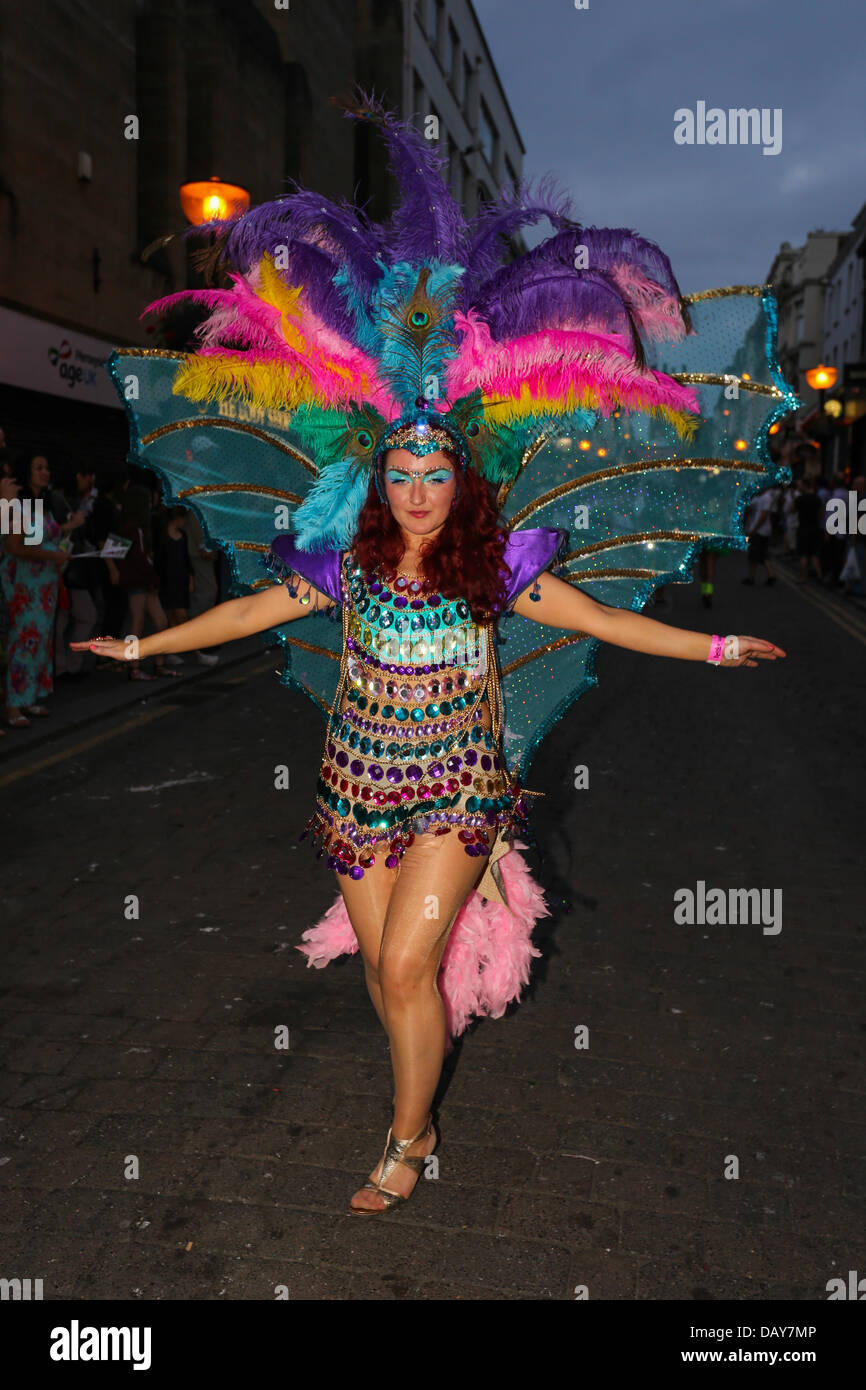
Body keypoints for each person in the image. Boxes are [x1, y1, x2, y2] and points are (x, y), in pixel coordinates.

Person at [77, 94, 793, 1218]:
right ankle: (416, 1097)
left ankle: (408, 1136)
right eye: (400, 474)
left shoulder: (496, 567)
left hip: (459, 789)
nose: (415, 489)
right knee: (377, 973)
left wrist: (710, 642)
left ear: (459, 482)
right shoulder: (341, 567)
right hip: (352, 790)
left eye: (434, 474)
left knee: (408, 970)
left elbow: (604, 621)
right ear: (380, 480)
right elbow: (243, 615)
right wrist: (139, 638)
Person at [0, 452, 68, 726]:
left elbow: (44, 540)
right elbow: (13, 547)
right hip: (24, 587)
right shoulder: (17, 505)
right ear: (25, 473)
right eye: (38, 467)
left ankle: (30, 698)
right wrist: (53, 557)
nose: (45, 472)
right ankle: (14, 705)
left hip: (45, 587)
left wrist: (58, 554)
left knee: (40, 642)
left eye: (47, 467)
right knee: (22, 642)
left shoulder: (43, 505)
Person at [109, 484, 174, 680]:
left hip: (141, 582)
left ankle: (146, 666)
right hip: (141, 581)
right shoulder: (134, 529)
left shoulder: (130, 527)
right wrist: (154, 578)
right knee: (143, 623)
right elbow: (140, 559)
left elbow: (112, 553)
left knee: (152, 622)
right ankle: (136, 666)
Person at [742, 487, 776, 586]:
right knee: (763, 554)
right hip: (761, 530)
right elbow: (748, 507)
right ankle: (771, 576)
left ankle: (751, 578)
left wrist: (754, 529)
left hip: (760, 531)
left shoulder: (766, 497)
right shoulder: (759, 498)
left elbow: (764, 516)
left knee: (753, 555)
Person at [795, 474, 823, 583]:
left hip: (803, 528)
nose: (799, 487)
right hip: (815, 528)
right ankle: (820, 576)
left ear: (805, 486)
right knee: (814, 554)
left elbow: (792, 510)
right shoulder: (817, 498)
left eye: (800, 485)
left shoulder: (800, 498)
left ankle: (803, 577)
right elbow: (821, 512)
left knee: (804, 554)